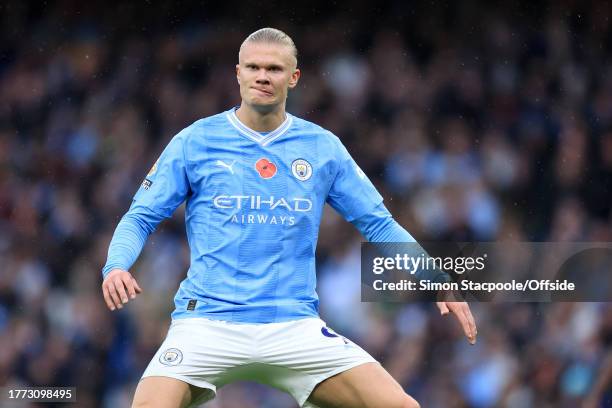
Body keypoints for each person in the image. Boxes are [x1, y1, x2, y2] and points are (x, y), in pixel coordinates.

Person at [101, 27, 477, 408]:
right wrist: (116, 266)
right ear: (238, 74)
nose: (263, 76)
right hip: (207, 322)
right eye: (253, 67)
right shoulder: (195, 142)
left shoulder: (322, 147)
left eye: (274, 69)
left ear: (293, 78)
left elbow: (377, 223)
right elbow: (141, 216)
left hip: (293, 325)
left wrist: (437, 277)